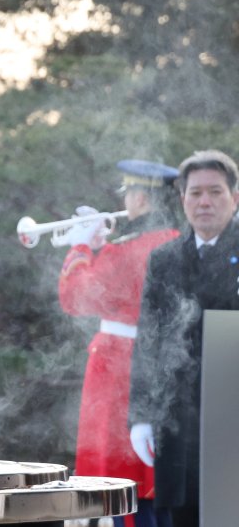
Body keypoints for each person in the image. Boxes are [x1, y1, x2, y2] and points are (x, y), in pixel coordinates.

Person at [58, 160, 180, 527]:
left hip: (119, 366)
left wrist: (81, 245)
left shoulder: (128, 250)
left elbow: (75, 297)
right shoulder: (171, 240)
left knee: (120, 474)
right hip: (151, 363)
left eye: (130, 193)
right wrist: (101, 245)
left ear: (141, 198)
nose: (126, 200)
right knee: (149, 476)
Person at [129, 149, 239, 527]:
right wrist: (141, 416)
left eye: (215, 191)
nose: (204, 202)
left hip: (233, 414)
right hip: (178, 418)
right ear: (182, 199)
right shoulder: (165, 259)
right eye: (195, 193)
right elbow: (149, 339)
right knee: (183, 514)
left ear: (235, 198)